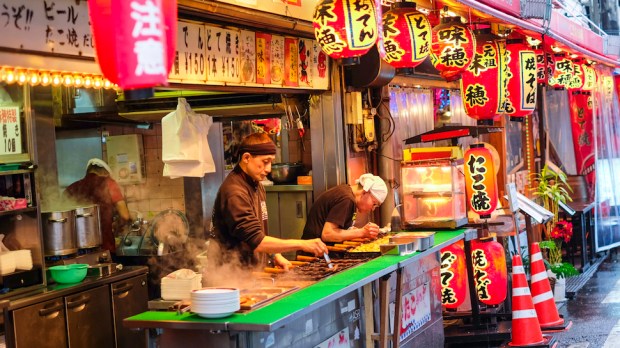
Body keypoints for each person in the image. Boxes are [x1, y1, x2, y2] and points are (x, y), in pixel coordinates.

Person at [209, 132, 327, 270]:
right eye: (265, 162)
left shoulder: (257, 185)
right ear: (247, 157)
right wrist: (303, 244)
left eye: (271, 162)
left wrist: (274, 254)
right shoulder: (234, 192)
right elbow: (257, 241)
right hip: (229, 277)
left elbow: (257, 233)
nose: (269, 169)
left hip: (252, 272)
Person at [64, 158, 130, 255]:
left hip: (77, 251)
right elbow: (125, 215)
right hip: (103, 247)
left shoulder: (71, 188)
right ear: (105, 172)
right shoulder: (109, 183)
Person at [301, 173, 388, 243]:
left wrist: (358, 232)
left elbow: (340, 229)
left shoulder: (348, 195)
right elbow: (327, 234)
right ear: (365, 192)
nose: (372, 209)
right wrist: (362, 232)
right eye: (374, 203)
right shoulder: (346, 199)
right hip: (313, 256)